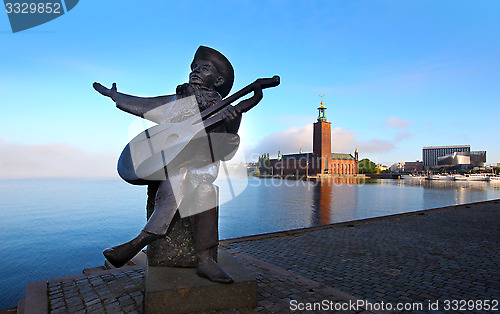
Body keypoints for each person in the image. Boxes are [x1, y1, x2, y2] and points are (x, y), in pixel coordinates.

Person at [94, 46, 263, 283]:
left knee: (200, 184)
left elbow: (225, 152)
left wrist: (231, 126)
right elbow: (144, 105)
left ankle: (153, 245)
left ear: (219, 80)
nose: (195, 72)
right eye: (194, 68)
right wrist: (115, 96)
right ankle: (197, 257)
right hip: (174, 162)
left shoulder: (226, 108)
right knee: (183, 176)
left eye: (204, 69)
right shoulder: (176, 102)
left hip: (205, 164)